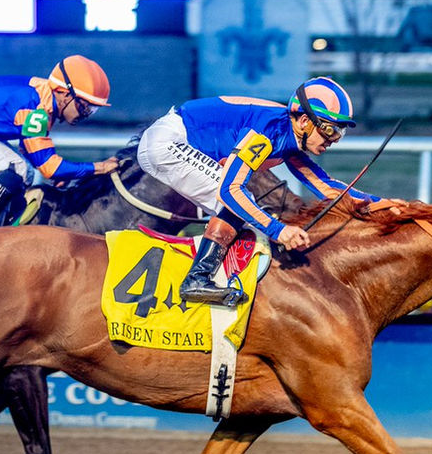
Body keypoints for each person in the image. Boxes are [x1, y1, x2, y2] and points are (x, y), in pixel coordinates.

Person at [136, 76, 382, 306]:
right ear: (305, 121)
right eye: (330, 129)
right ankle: (197, 279)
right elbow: (230, 191)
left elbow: (325, 187)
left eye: (341, 132)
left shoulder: (289, 138)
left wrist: (381, 204)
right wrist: (279, 231)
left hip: (173, 139)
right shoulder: (267, 131)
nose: (334, 139)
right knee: (239, 201)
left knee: (248, 209)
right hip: (168, 142)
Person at [0, 55, 119, 230]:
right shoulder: (37, 109)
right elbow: (50, 168)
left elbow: (31, 152)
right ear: (65, 94)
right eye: (84, 107)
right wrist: (99, 167)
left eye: (92, 110)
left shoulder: (43, 98)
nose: (85, 115)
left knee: (22, 169)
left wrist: (62, 172)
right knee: (17, 168)